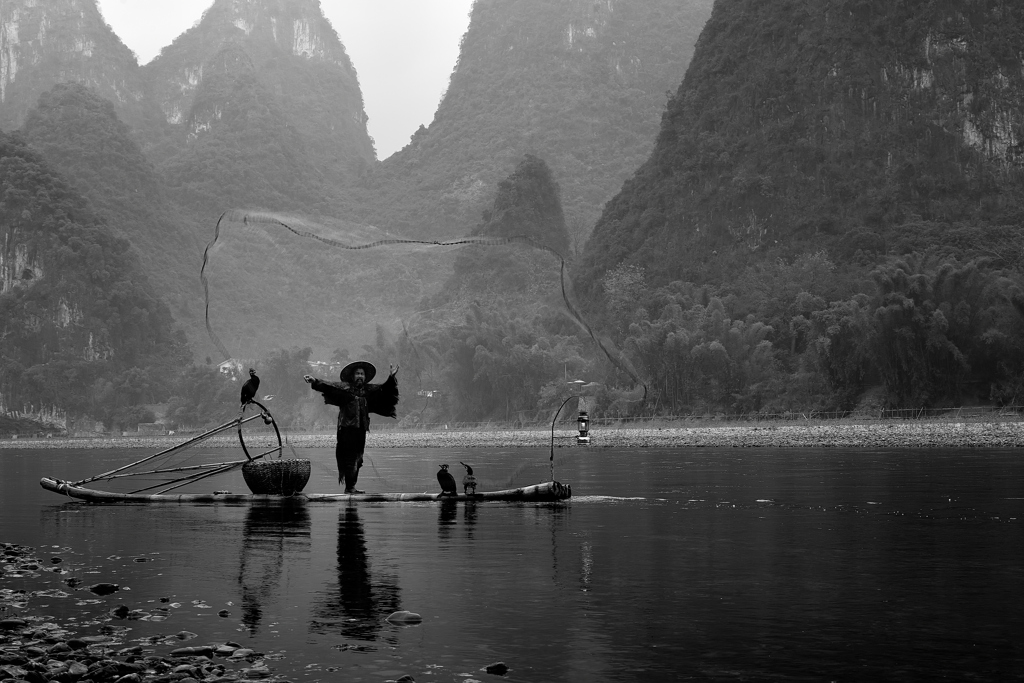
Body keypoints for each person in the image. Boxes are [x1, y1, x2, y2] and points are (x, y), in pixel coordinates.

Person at [304, 361, 399, 493]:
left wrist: (391, 377)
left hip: (360, 430)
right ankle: (350, 488)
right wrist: (315, 381)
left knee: (359, 460)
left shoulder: (368, 390)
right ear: (353, 376)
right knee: (349, 459)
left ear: (365, 377)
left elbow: (385, 389)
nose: (360, 376)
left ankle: (351, 486)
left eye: (362, 374)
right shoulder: (345, 389)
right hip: (346, 430)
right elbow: (329, 386)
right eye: (357, 374)